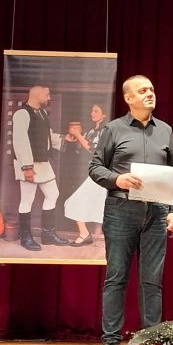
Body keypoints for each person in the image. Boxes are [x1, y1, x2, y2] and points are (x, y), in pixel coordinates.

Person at [89, 75, 173, 345]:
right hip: (121, 210)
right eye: (142, 91)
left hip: (156, 211)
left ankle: (150, 341)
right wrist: (117, 179)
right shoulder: (113, 129)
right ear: (128, 98)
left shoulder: (165, 130)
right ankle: (110, 341)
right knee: (116, 277)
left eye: (151, 89)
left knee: (152, 281)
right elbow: (95, 168)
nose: (150, 94)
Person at [12, 85, 69, 250]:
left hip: (43, 162)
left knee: (53, 194)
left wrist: (65, 139)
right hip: (28, 163)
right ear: (37, 95)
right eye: (47, 94)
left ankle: (48, 234)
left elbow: (47, 136)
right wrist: (27, 167)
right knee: (27, 200)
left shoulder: (42, 113)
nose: (49, 98)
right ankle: (25, 237)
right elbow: (20, 140)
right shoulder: (22, 114)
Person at [63, 103, 108, 246]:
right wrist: (75, 138)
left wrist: (77, 135)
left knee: (74, 202)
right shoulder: (90, 132)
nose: (92, 113)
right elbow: (81, 149)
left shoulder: (106, 131)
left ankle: (84, 234)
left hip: (101, 171)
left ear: (104, 115)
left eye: (96, 111)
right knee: (98, 203)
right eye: (91, 111)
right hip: (94, 172)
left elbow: (94, 150)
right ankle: (97, 236)